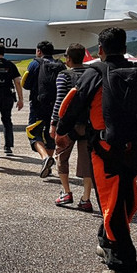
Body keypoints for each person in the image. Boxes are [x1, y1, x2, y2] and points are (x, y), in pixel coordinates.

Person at [56, 27, 137, 273]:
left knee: (112, 205)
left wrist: (62, 133)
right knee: (124, 199)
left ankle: (122, 268)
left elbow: (71, 105)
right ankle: (106, 244)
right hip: (136, 148)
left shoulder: (95, 73)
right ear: (124, 47)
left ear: (101, 50)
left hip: (106, 149)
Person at [50, 43, 95, 210]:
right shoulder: (91, 74)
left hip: (67, 125)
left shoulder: (64, 75)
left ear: (68, 58)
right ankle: (86, 198)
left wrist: (54, 124)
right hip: (87, 124)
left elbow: (60, 101)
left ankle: (66, 192)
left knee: (61, 156)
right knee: (86, 161)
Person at [23, 40, 63, 178]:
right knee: (51, 133)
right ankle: (49, 165)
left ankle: (45, 157)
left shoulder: (35, 63)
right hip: (56, 105)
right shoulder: (60, 65)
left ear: (39, 51)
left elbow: (25, 84)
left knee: (33, 133)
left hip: (38, 105)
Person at [0, 44, 24, 157]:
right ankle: (8, 147)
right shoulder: (10, 65)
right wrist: (20, 99)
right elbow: (17, 82)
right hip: (8, 96)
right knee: (7, 120)